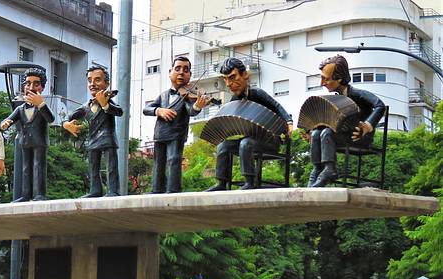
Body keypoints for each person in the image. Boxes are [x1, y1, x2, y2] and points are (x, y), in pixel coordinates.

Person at [205, 57, 294, 191]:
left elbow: (277, 106)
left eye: (233, 77)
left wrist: (289, 123)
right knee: (223, 146)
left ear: (245, 75)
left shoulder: (257, 93)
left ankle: (249, 181)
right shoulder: (235, 100)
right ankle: (221, 183)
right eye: (226, 79)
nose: (229, 84)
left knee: (246, 143)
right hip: (249, 140)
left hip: (269, 141)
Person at [305, 54, 385, 187]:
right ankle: (318, 168)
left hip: (359, 137)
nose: (322, 83)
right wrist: (311, 130)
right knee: (316, 134)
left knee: (327, 133)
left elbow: (379, 105)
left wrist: (367, 126)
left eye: (326, 79)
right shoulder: (336, 100)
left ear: (339, 78)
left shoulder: (357, 94)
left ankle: (330, 169)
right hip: (342, 135)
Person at [143, 56, 209, 194]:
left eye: (186, 70)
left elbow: (191, 111)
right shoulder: (163, 96)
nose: (181, 73)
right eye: (177, 68)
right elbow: (146, 109)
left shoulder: (188, 97)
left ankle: (173, 190)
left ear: (190, 75)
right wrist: (158, 110)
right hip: (160, 134)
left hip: (177, 134)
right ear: (170, 72)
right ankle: (157, 189)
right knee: (158, 163)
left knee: (174, 160)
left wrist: (197, 105)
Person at [63, 65, 124, 197]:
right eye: (90, 80)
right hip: (93, 139)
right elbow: (70, 116)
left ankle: (113, 190)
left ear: (106, 83)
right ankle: (95, 190)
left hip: (108, 138)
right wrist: (67, 124)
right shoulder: (86, 106)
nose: (92, 84)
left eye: (97, 80)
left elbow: (119, 111)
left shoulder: (108, 101)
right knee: (92, 167)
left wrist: (105, 104)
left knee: (111, 167)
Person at [0, 68, 54, 202]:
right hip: (25, 142)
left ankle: (39, 194)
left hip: (39, 141)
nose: (31, 87)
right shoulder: (20, 108)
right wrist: (5, 123)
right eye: (28, 84)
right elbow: (8, 120)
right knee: (25, 168)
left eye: (36, 84)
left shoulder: (42, 107)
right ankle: (25, 194)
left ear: (42, 87)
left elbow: (50, 119)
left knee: (38, 167)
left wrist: (40, 104)